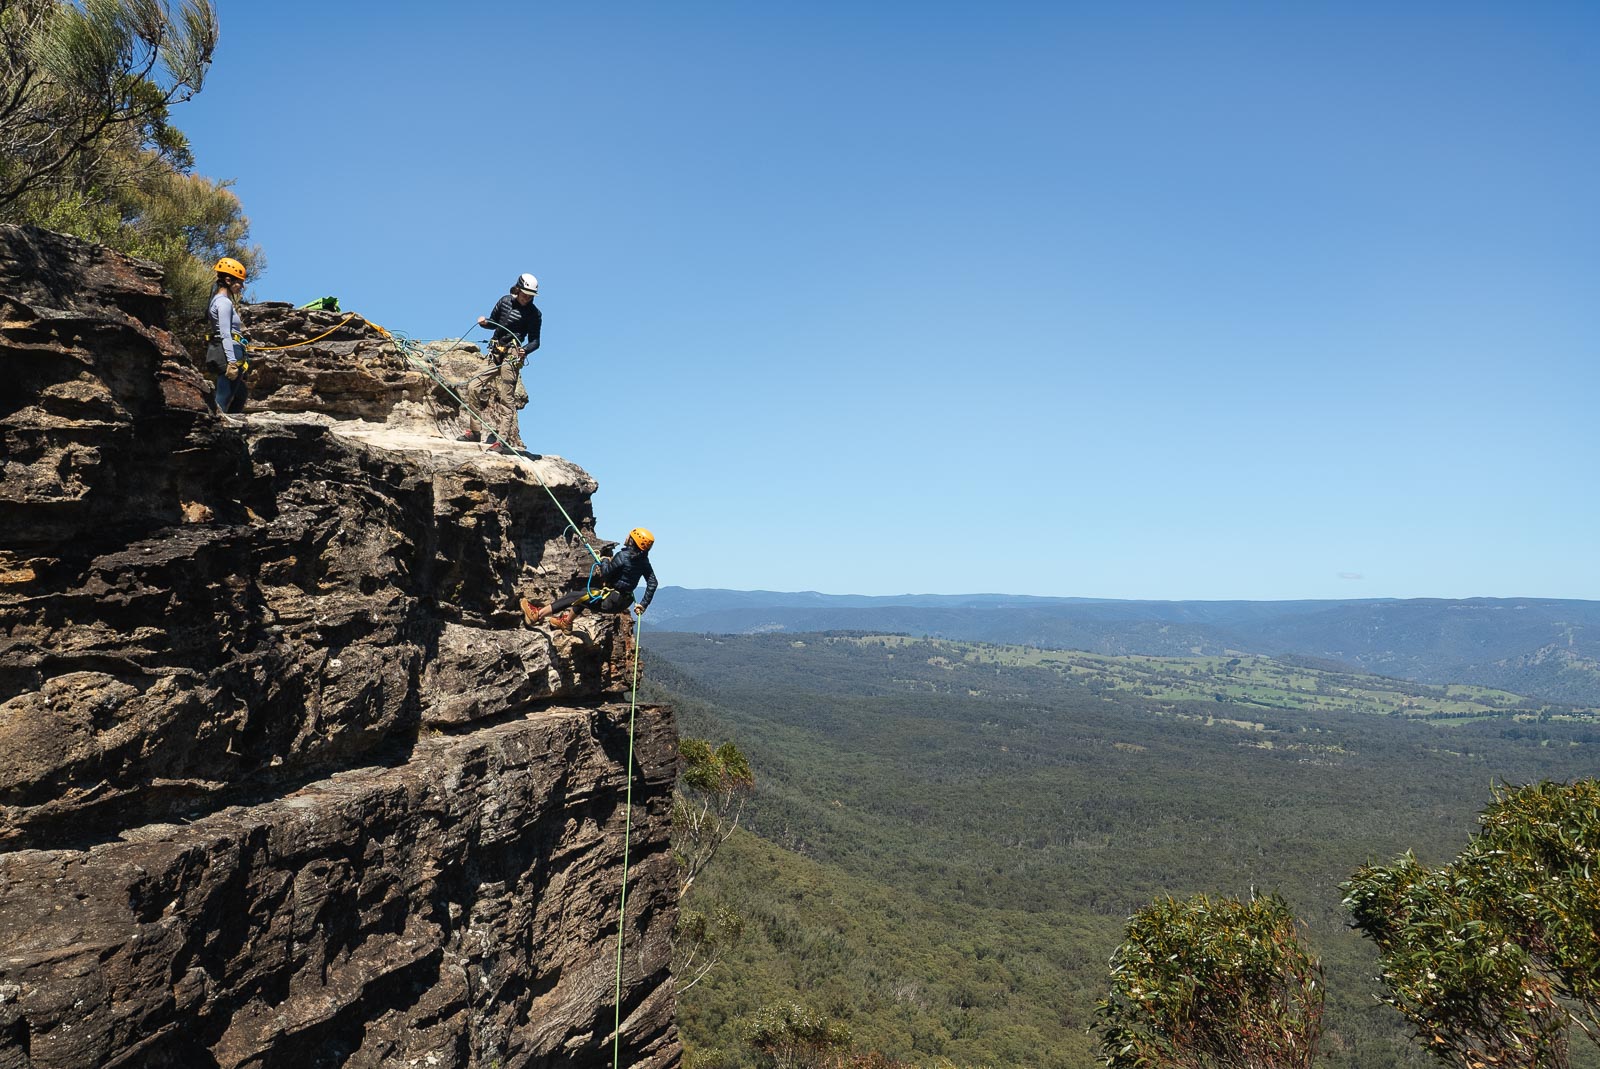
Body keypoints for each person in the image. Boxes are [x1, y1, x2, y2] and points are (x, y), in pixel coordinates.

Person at [460, 272, 541, 454]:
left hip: (512, 355)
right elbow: (494, 322)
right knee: (473, 386)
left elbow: (536, 341)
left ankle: (502, 441)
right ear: (518, 289)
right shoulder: (504, 301)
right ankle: (474, 432)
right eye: (525, 294)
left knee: (507, 398)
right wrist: (483, 323)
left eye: (531, 296)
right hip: (495, 351)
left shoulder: (535, 314)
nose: (527, 298)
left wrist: (525, 350)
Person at [522, 527, 657, 630]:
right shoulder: (644, 561)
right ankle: (566, 622)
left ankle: (538, 614)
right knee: (584, 595)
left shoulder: (623, 556)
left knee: (573, 596)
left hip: (611, 600)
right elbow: (652, 583)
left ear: (633, 541)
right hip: (623, 602)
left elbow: (606, 573)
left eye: (630, 535)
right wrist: (643, 604)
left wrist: (604, 560)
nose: (627, 536)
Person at [207, 257, 250, 415]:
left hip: (230, 349)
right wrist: (232, 362)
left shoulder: (218, 301)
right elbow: (225, 333)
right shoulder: (223, 303)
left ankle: (229, 429)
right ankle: (217, 427)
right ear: (227, 280)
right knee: (223, 397)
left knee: (241, 394)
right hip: (229, 352)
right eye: (239, 282)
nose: (241, 286)